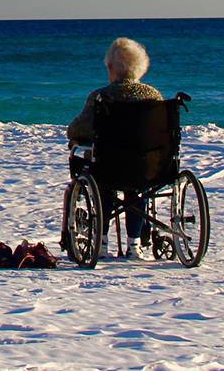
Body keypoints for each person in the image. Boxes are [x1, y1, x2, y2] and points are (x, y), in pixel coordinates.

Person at [67, 37, 163, 259]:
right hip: (146, 168)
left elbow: (78, 129)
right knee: (138, 185)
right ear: (141, 67)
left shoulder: (101, 97)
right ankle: (134, 243)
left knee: (103, 180)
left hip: (110, 167)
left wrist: (74, 136)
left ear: (111, 67)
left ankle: (100, 241)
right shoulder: (154, 96)